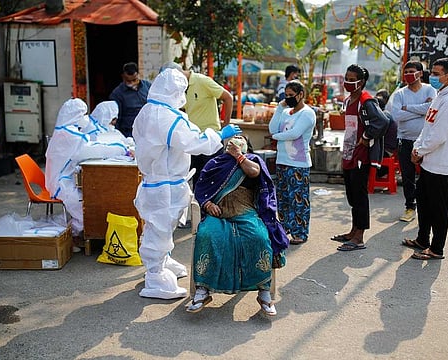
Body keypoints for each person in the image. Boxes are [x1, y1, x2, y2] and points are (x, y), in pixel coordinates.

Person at [132, 68, 242, 299]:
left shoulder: (148, 111)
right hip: (164, 184)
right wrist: (219, 135)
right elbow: (194, 141)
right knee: (159, 227)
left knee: (163, 225)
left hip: (161, 180)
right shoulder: (167, 117)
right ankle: (155, 274)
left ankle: (162, 260)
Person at [187, 135, 289, 315]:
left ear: (246, 147)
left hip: (245, 211)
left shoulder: (252, 160)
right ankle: (203, 290)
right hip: (218, 213)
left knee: (258, 237)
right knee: (207, 235)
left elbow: (255, 173)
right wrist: (207, 204)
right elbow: (201, 189)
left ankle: (264, 292)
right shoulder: (215, 163)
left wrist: (239, 156)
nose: (235, 139)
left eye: (240, 138)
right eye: (232, 138)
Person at [45, 98, 132, 251]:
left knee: (90, 201)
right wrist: (120, 149)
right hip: (61, 182)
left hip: (66, 177)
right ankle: (73, 238)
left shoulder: (66, 131)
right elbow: (90, 149)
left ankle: (82, 233)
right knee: (85, 209)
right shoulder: (68, 135)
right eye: (82, 114)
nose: (85, 118)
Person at [403, 57, 448, 260]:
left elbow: (439, 135)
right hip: (428, 159)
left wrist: (419, 151)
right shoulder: (440, 96)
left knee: (438, 207)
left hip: (440, 162)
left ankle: (437, 248)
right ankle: (423, 239)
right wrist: (417, 148)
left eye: (437, 73)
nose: (433, 76)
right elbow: (427, 126)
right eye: (432, 72)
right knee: (424, 201)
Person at [330, 64, 389, 251]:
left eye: (351, 78)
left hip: (361, 156)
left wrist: (365, 139)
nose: (347, 81)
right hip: (349, 153)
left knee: (359, 195)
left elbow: (383, 121)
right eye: (346, 77)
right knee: (352, 195)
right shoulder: (349, 100)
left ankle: (359, 237)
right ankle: (353, 230)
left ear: (361, 82)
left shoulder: (366, 101)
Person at [159, 62, 234, 189]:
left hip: (212, 138)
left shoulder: (202, 81)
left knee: (213, 180)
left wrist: (225, 126)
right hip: (193, 139)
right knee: (196, 180)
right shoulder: (179, 89)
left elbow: (228, 98)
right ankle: (199, 208)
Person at [268, 80, 316, 245]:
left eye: (291, 95)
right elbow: (272, 128)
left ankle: (300, 233)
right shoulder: (286, 111)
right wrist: (280, 107)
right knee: (283, 199)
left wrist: (275, 137)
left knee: (299, 200)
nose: (288, 98)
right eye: (286, 95)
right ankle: (285, 229)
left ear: (301, 94)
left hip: (299, 164)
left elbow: (295, 134)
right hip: (282, 161)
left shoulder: (308, 113)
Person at [390, 61, 436, 222]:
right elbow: (396, 116)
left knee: (427, 175)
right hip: (405, 140)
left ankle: (427, 207)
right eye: (406, 72)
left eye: (411, 71)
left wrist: (407, 108)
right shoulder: (400, 94)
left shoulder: (430, 90)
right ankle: (410, 207)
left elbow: (431, 110)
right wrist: (420, 110)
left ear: (420, 73)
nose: (408, 74)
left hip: (425, 141)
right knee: (408, 176)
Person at [109, 62, 151, 138]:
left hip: (148, 130)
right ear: (123, 77)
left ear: (138, 75)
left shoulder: (148, 86)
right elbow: (116, 117)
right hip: (129, 133)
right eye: (128, 81)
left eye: (134, 80)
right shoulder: (117, 94)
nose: (132, 83)